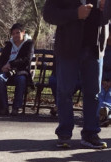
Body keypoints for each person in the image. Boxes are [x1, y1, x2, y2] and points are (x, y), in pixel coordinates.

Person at [43, 0, 110, 149]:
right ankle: (64, 134)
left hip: (95, 47)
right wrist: (75, 14)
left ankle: (90, 134)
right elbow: (48, 14)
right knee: (65, 91)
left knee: (93, 93)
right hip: (68, 48)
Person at [0, 23, 34, 116]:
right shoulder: (9, 45)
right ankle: (4, 107)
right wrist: (2, 67)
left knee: (21, 79)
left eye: (18, 33)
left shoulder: (29, 43)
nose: (16, 35)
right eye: (13, 33)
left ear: (23, 32)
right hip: (7, 71)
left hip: (21, 71)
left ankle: (16, 107)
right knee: (0, 78)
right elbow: (1, 61)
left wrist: (11, 64)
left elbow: (26, 59)